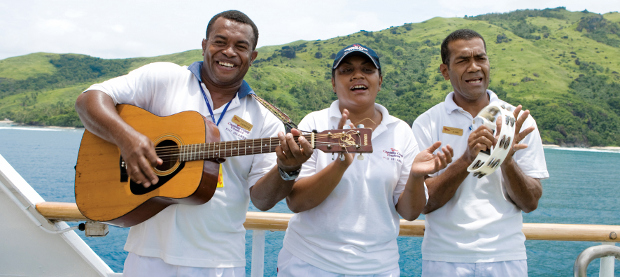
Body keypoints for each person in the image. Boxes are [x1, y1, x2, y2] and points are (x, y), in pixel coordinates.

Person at [75, 10, 313, 277]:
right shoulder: (164, 78)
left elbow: (262, 199)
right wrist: (127, 139)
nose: (229, 52)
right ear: (204, 45)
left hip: (220, 262)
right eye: (220, 42)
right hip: (147, 255)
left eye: (241, 46)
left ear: (252, 57)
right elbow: (89, 100)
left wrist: (288, 169)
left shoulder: (265, 119)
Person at [276, 44, 453, 276]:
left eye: (368, 70)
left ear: (380, 81)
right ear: (333, 83)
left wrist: (416, 178)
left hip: (380, 267)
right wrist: (340, 165)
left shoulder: (400, 131)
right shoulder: (314, 124)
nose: (357, 75)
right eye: (346, 70)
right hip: (310, 263)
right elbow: (296, 202)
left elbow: (410, 212)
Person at [411, 29, 548, 277]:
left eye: (480, 58)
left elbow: (531, 202)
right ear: (445, 71)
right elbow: (423, 203)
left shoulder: (518, 122)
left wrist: (506, 161)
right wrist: (466, 159)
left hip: (505, 256)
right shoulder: (427, 123)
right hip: (444, 258)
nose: (474, 67)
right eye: (463, 60)